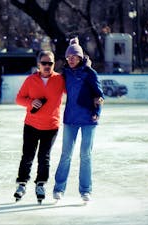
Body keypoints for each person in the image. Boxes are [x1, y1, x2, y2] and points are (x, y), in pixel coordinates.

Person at [53, 37, 104, 202]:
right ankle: (59, 188)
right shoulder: (65, 74)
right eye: (68, 57)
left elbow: (99, 95)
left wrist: (97, 111)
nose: (71, 59)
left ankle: (85, 190)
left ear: (80, 57)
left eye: (74, 56)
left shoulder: (90, 73)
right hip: (70, 119)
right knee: (66, 154)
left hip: (89, 118)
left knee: (85, 155)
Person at [13, 50, 65, 203]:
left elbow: (74, 90)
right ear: (38, 65)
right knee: (27, 156)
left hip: (51, 126)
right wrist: (30, 102)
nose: (47, 66)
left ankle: (40, 184)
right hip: (31, 125)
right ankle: (22, 184)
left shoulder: (60, 80)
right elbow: (18, 98)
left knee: (44, 157)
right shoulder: (30, 80)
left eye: (50, 63)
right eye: (44, 63)